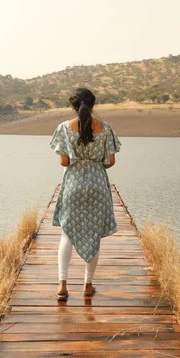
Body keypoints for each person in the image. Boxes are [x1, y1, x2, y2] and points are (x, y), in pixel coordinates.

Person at [49, 88, 121, 301]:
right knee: (94, 234)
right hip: (97, 185)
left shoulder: (63, 128)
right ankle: (87, 285)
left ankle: (62, 286)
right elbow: (110, 162)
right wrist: (94, 167)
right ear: (93, 104)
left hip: (73, 184)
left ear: (73, 106)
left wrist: (78, 162)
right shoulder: (105, 128)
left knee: (67, 234)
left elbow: (64, 162)